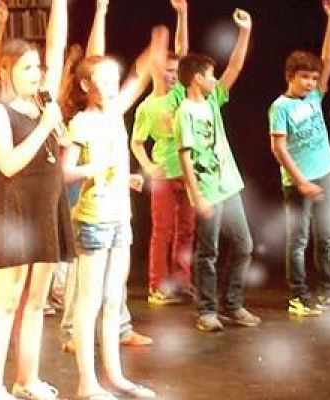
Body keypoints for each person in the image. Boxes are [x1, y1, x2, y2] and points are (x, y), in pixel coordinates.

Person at [59, 7, 166, 398]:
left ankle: (116, 376)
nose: (110, 86)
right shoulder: (81, 122)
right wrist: (97, 168)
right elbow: (66, 172)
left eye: (112, 79)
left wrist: (153, 50)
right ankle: (87, 383)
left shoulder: (115, 113)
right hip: (93, 220)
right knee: (88, 303)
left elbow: (138, 77)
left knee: (112, 298)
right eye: (102, 80)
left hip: (120, 216)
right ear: (86, 85)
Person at [0, 0, 69, 398]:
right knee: (6, 301)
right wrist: (45, 126)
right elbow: (9, 164)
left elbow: (57, 46)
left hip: (47, 207)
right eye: (28, 68)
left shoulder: (43, 102)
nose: (37, 74)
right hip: (15, 210)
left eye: (38, 68)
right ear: (7, 71)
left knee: (37, 301)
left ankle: (27, 379)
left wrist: (59, 6)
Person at [270, 0, 330, 316]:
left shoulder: (315, 96)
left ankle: (327, 295)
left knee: (327, 239)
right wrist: (301, 182)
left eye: (313, 78)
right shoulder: (280, 107)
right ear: (290, 76)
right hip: (298, 182)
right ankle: (299, 297)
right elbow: (278, 149)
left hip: (324, 174)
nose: (310, 83)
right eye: (304, 77)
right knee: (298, 241)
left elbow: (328, 58)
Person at [175, 9, 258, 333]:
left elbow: (234, 67)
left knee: (244, 245)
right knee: (208, 251)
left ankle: (232, 304)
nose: (214, 79)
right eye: (210, 74)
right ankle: (207, 310)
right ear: (197, 78)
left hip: (228, 184)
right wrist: (197, 196)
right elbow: (185, 156)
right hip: (207, 189)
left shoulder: (212, 102)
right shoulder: (185, 111)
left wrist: (245, 32)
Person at [130, 0, 194, 306]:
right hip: (164, 174)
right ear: (156, 71)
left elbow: (183, 51)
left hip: (188, 171)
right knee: (163, 231)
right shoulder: (147, 106)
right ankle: (157, 285)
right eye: (167, 70)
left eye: (176, 72)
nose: (173, 75)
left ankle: (182, 281)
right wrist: (147, 166)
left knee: (187, 230)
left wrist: (182, 14)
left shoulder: (181, 93)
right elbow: (136, 142)